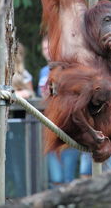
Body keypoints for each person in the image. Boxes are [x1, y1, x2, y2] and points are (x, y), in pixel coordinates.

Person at [38, 36, 80, 188]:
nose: (47, 52)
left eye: (50, 49)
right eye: (44, 49)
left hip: (70, 130)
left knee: (67, 177)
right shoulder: (43, 71)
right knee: (55, 178)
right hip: (51, 128)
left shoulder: (73, 71)